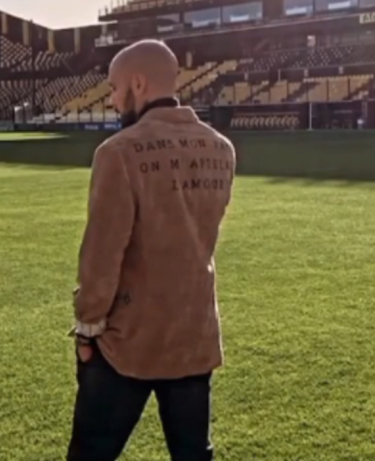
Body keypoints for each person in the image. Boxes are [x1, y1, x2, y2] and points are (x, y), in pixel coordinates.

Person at [67, 39, 237, 461]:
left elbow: (102, 254)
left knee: (90, 454)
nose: (112, 99)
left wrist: (87, 326)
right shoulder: (221, 148)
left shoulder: (118, 152)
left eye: (114, 88)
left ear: (138, 84)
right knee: (193, 454)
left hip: (130, 338)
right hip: (194, 331)